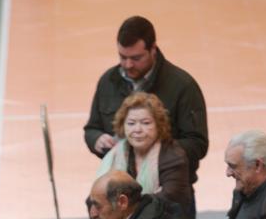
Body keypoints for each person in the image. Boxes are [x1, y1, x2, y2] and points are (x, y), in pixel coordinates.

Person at [84, 16, 208, 184]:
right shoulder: (108, 81)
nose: (128, 65)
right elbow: (92, 128)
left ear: (153, 49)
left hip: (169, 189)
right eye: (122, 57)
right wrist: (96, 139)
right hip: (119, 188)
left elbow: (197, 144)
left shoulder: (183, 86)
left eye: (136, 58)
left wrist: (157, 152)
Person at [90, 91, 193, 219]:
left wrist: (117, 211)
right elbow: (94, 207)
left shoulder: (174, 157)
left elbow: (169, 204)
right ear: (122, 126)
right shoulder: (114, 155)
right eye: (131, 123)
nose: (137, 130)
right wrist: (147, 200)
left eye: (146, 123)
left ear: (159, 125)